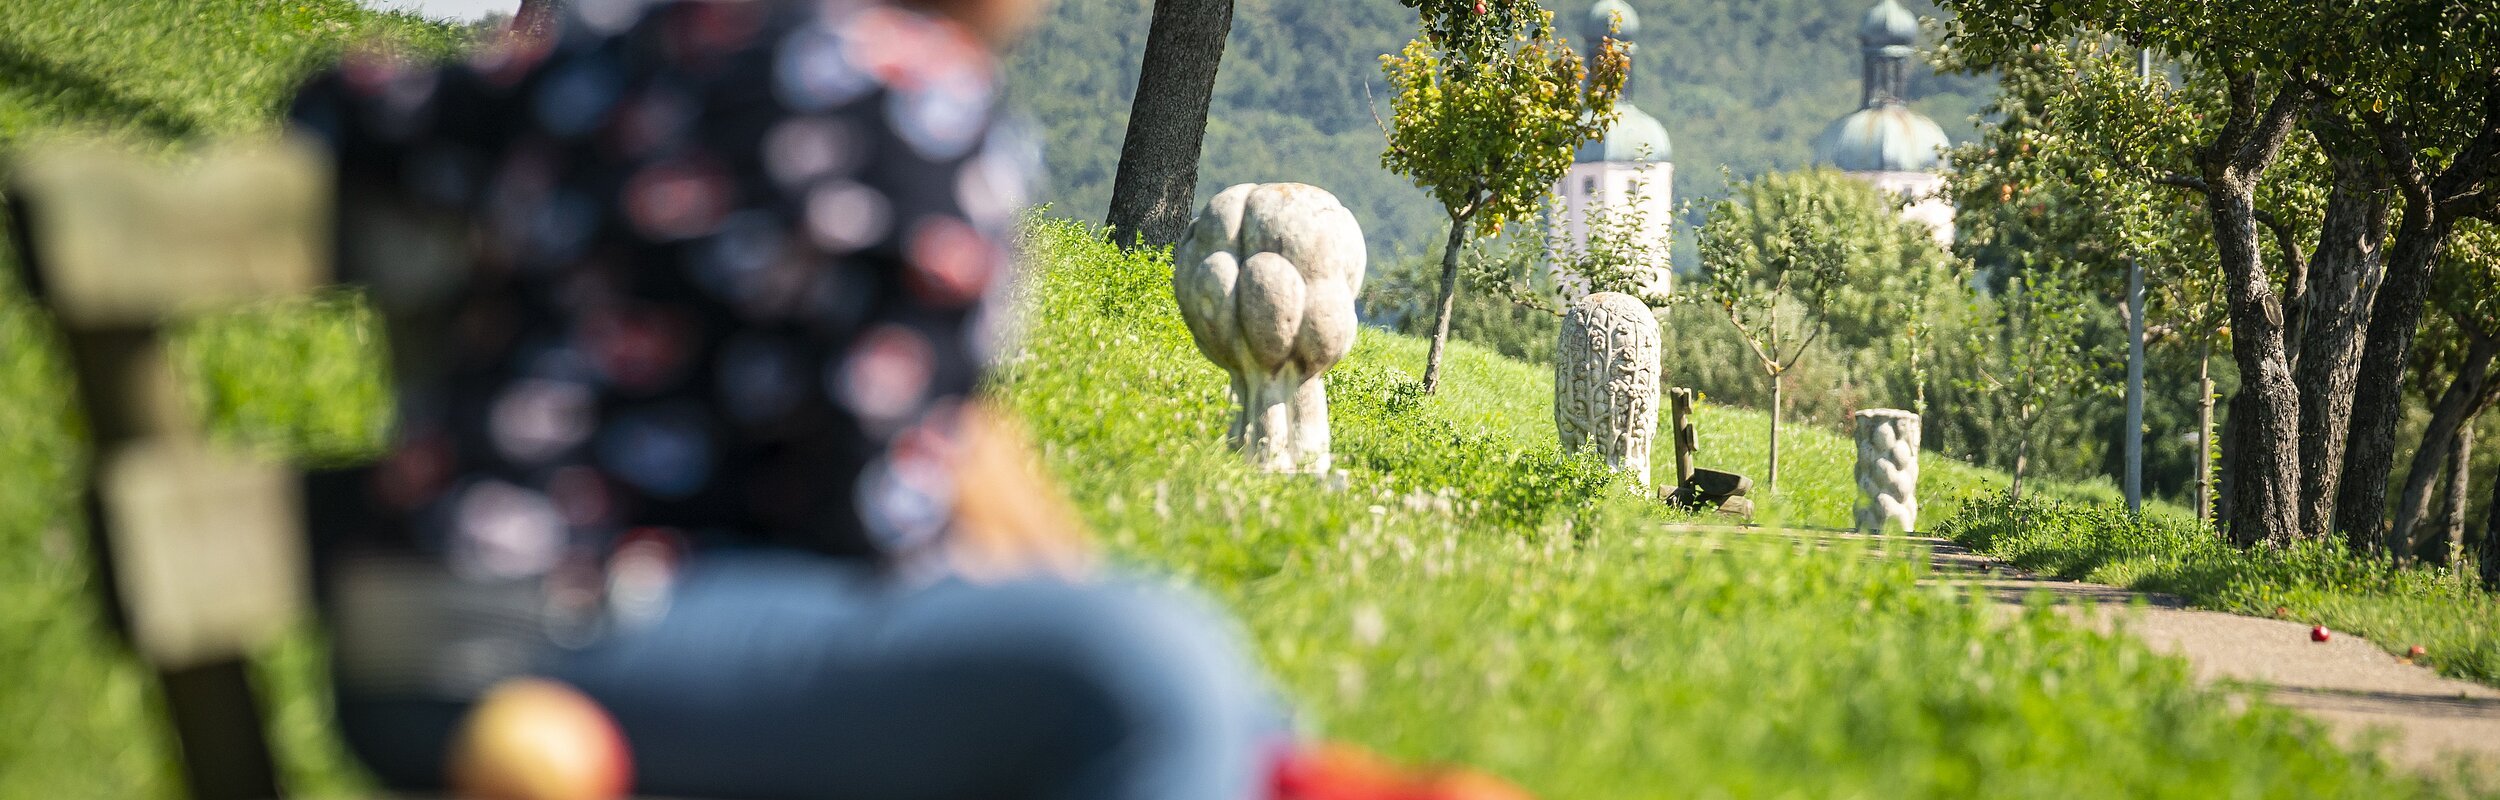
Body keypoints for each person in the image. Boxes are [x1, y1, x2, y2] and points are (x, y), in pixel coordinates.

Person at [288, 0, 1278, 796]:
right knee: (1143, 676)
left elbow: (339, 110)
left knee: (1190, 681)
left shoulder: (652, 40)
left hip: (394, 637)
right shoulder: (918, 105)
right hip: (559, 649)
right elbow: (870, 522)